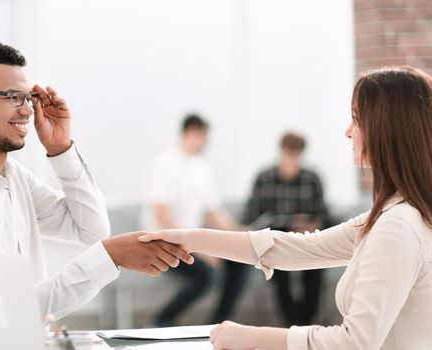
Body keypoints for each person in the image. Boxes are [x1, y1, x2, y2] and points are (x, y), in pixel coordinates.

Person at [138, 66, 432, 349]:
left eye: (356, 119)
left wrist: (251, 336)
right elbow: (295, 247)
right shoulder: (392, 215)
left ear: (386, 130)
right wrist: (190, 239)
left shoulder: (398, 225)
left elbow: (354, 343)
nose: (347, 131)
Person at [0, 41, 193, 336]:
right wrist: (110, 256)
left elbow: (91, 228)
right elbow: (14, 309)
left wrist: (61, 149)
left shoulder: (13, 177)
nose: (27, 111)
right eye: (12, 97)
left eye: (28, 98)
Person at [142, 114, 249, 326]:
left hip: (192, 238)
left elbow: (212, 211)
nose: (207, 142)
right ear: (192, 132)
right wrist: (199, 248)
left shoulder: (202, 168)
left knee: (241, 263)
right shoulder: (163, 164)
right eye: (204, 137)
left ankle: (220, 324)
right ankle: (162, 321)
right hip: (163, 241)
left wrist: (240, 233)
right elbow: (161, 214)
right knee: (207, 275)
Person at [243, 131, 329, 326]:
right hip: (275, 241)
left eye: (296, 156)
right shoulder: (264, 177)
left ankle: (304, 322)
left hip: (305, 241)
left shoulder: (311, 179)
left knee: (315, 269)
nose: (292, 161)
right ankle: (292, 324)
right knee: (278, 270)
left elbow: (321, 215)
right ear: (281, 152)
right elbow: (252, 216)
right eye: (289, 155)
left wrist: (306, 226)